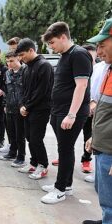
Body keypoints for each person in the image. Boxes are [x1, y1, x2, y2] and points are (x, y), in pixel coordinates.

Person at [39, 22, 92, 204]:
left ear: (63, 37)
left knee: (65, 149)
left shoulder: (78, 54)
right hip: (59, 111)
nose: (51, 47)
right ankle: (66, 185)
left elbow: (81, 85)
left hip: (70, 113)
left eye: (52, 42)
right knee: (65, 149)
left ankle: (60, 189)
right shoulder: (64, 55)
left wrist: (71, 114)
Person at [81, 18, 112, 224]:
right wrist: (94, 136)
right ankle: (108, 221)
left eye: (102, 45)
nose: (98, 51)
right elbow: (103, 110)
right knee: (104, 193)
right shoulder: (108, 70)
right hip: (103, 144)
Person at [50, 44, 98, 174]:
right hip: (74, 107)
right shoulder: (75, 63)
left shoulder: (100, 68)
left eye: (92, 57)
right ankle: (64, 170)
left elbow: (89, 89)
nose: (90, 60)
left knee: (88, 137)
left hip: (89, 108)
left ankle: (86, 161)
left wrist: (92, 105)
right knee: (66, 145)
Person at [15, 38, 54, 180]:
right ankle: (33, 163)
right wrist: (21, 105)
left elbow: (42, 91)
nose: (20, 58)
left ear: (31, 50)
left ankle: (43, 165)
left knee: (36, 138)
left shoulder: (44, 66)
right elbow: (22, 89)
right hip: (27, 109)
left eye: (22, 55)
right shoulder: (26, 68)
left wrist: (27, 106)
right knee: (29, 138)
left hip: (40, 109)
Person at [0, 51, 26, 168]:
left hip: (20, 108)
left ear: (18, 59)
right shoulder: (7, 73)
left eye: (12, 61)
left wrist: (25, 106)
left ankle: (21, 157)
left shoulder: (25, 71)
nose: (9, 63)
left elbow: (27, 91)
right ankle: (12, 153)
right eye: (8, 61)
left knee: (20, 134)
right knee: (11, 133)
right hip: (9, 107)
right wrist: (5, 104)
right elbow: (6, 90)